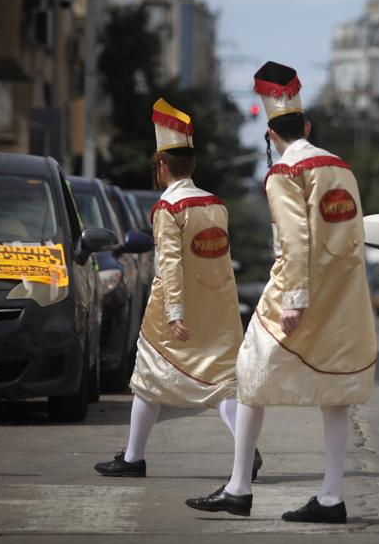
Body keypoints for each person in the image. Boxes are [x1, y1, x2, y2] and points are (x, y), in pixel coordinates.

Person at [186, 62, 377, 522]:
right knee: (335, 392)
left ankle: (238, 488)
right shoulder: (340, 167)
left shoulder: (285, 173)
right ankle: (331, 497)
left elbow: (293, 239)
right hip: (341, 297)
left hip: (297, 294)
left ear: (270, 134)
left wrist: (293, 300)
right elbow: (348, 239)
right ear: (305, 125)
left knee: (248, 377)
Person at [94, 99, 257, 479]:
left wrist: (175, 313)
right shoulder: (215, 205)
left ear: (163, 167)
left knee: (147, 382)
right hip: (218, 311)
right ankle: (244, 449)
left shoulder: (168, 209)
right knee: (222, 385)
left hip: (174, 311)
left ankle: (134, 459)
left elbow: (170, 264)